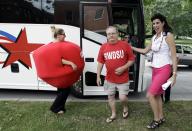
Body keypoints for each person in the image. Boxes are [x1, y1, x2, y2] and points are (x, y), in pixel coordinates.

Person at [131, 13, 177, 129]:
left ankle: (156, 120)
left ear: (163, 23)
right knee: (157, 95)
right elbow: (145, 50)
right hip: (155, 69)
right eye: (153, 24)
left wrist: (174, 74)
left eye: (157, 23)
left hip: (165, 68)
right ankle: (161, 117)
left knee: (150, 95)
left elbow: (173, 56)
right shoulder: (154, 37)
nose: (155, 25)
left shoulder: (168, 36)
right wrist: (131, 47)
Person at [97, 26, 135, 123]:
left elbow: (132, 59)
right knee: (110, 97)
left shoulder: (125, 45)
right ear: (107, 35)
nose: (111, 35)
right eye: (109, 34)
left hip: (123, 78)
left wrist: (123, 68)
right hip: (109, 79)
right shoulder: (103, 47)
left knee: (122, 98)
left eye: (113, 33)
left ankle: (125, 107)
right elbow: (100, 62)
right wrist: (98, 76)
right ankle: (113, 114)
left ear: (117, 34)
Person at [50, 27, 77, 114]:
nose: (65, 36)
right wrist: (71, 63)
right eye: (63, 34)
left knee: (62, 90)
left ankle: (60, 108)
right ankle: (55, 108)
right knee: (65, 90)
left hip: (61, 70)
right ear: (58, 36)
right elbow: (58, 59)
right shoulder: (55, 45)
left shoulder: (59, 44)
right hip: (59, 70)